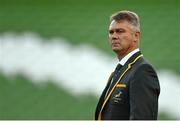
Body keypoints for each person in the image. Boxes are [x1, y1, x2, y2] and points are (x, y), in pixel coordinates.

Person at [95, 10, 160, 120]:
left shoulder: (142, 71)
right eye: (111, 32)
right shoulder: (121, 70)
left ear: (136, 36)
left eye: (120, 31)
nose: (114, 36)